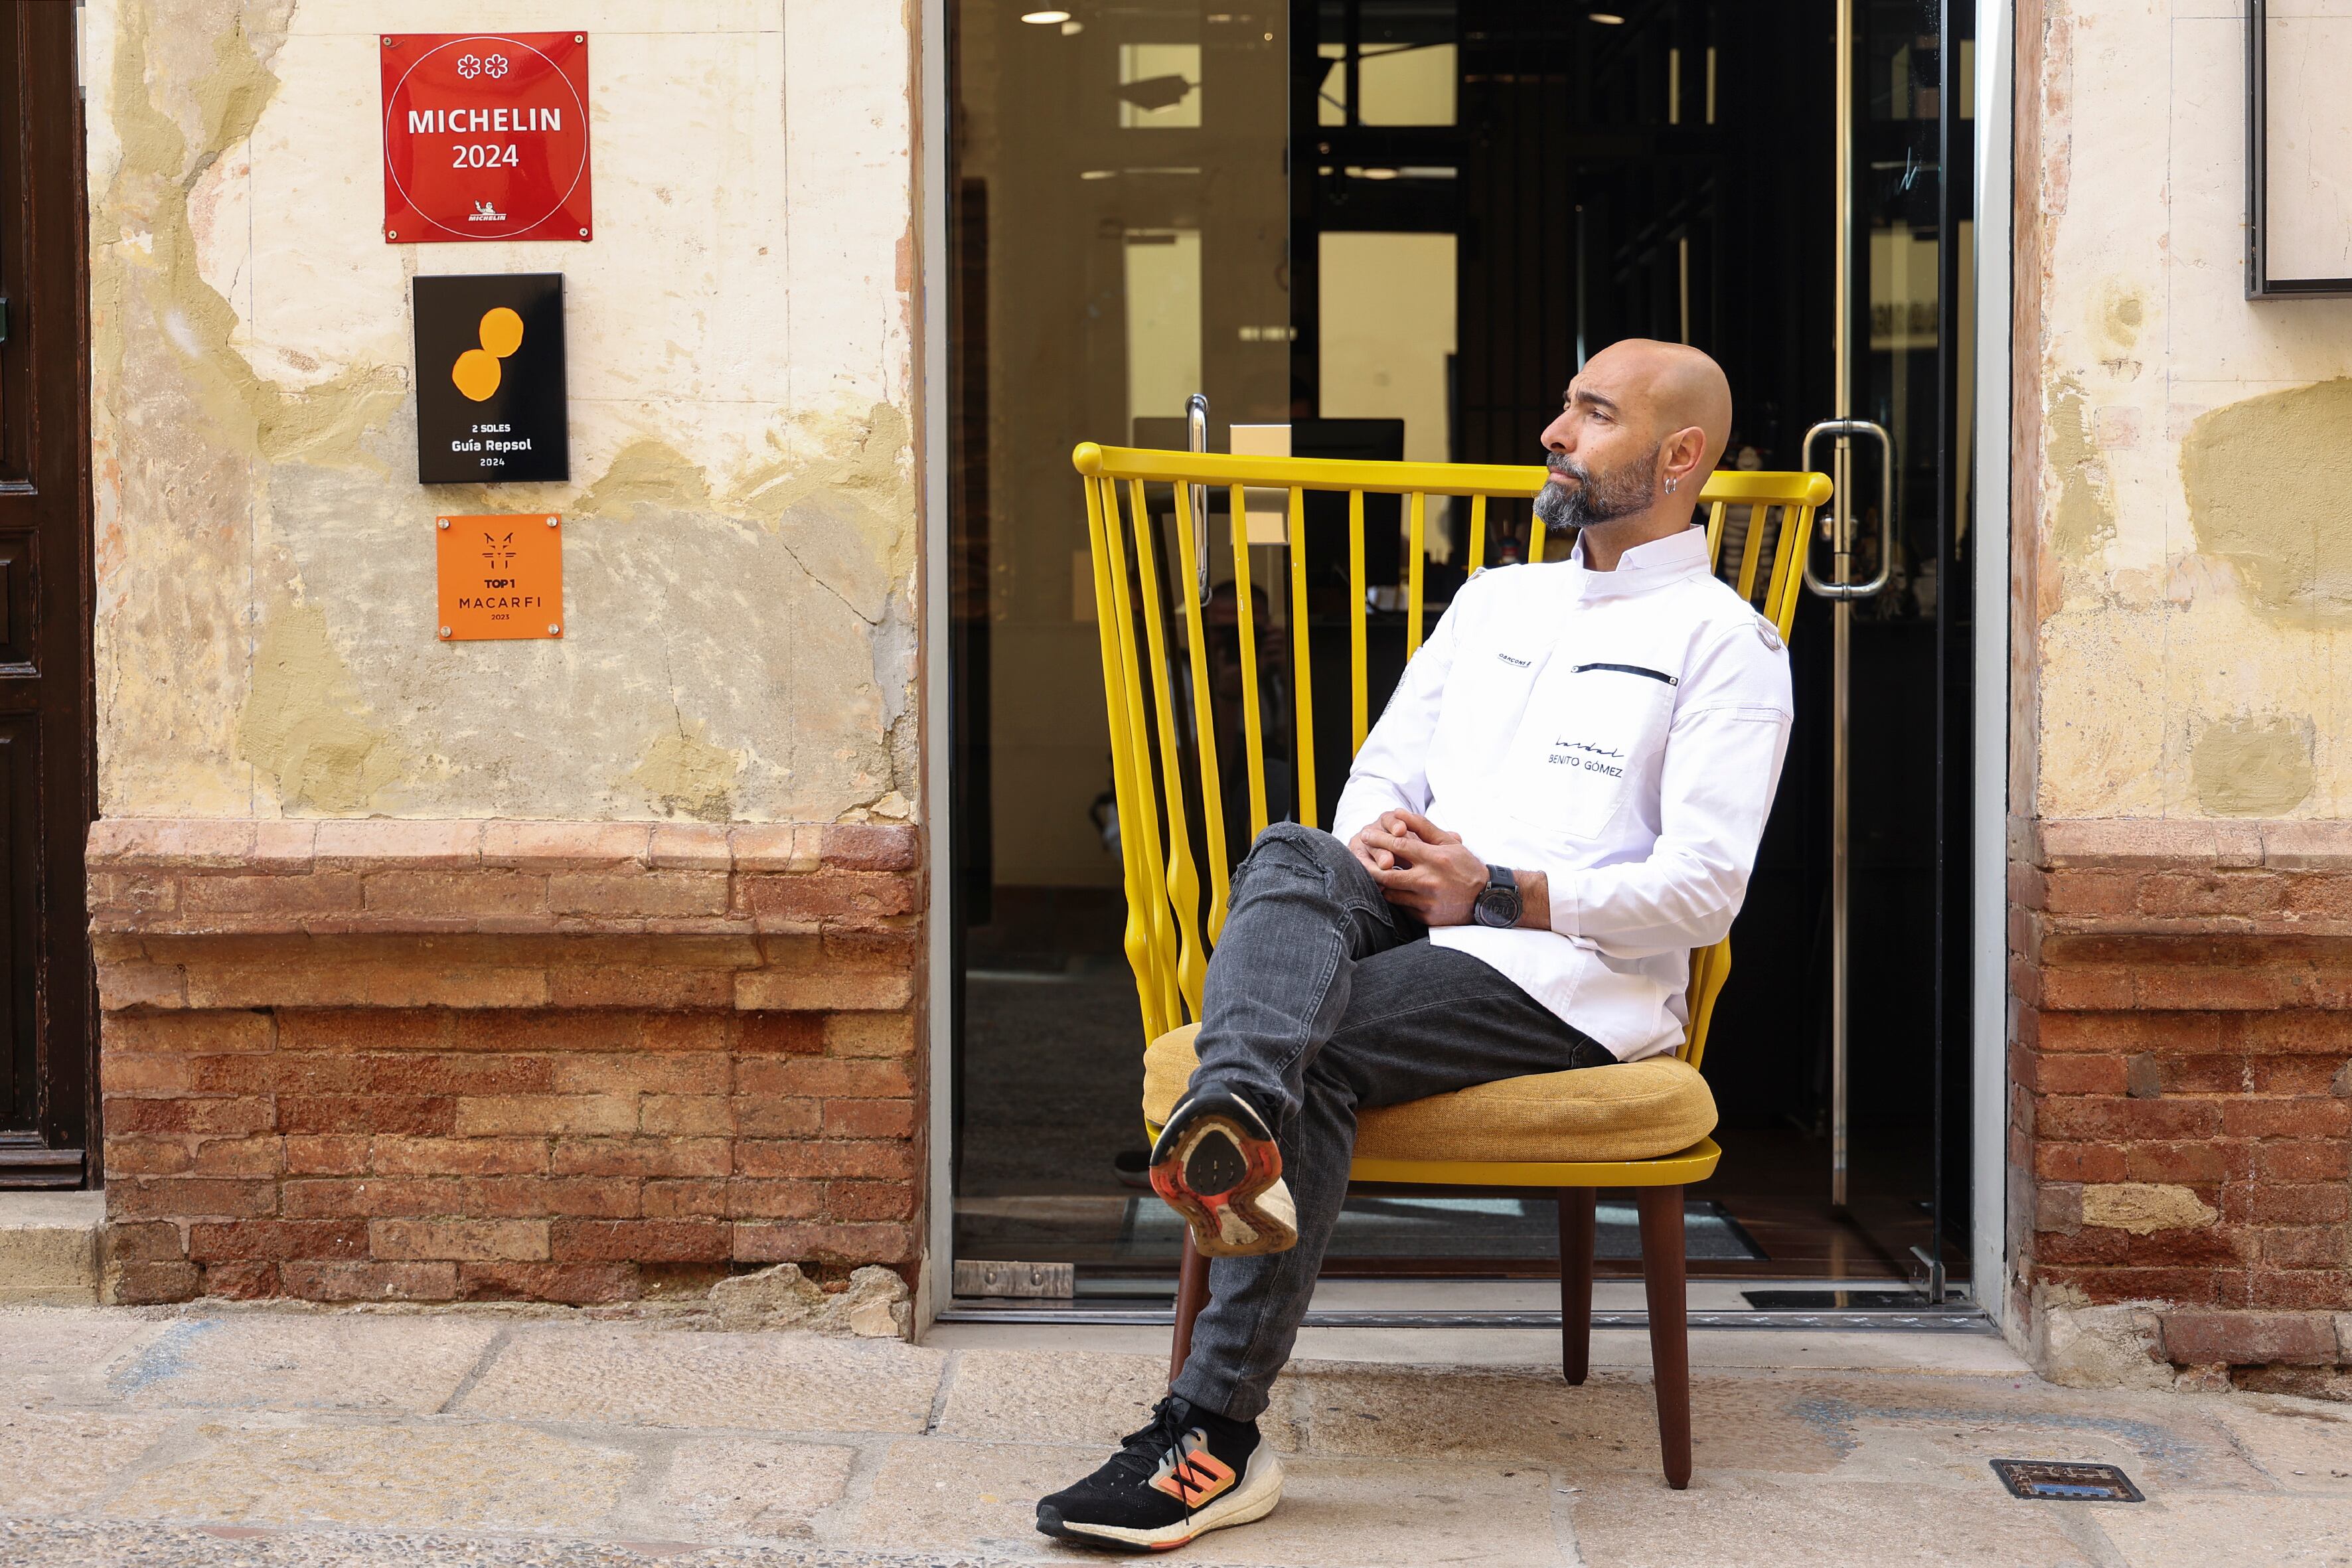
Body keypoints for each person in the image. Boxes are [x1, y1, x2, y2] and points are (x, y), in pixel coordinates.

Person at [1035, 340, 1794, 1551]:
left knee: (1318, 1047)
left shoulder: (1729, 645)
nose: (1555, 431)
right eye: (1564, 404)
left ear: (1680, 456)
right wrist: (1390, 852)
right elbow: (1382, 770)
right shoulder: (1496, 600)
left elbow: (1703, 892)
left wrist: (1494, 889)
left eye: (1592, 415)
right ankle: (1236, 1102)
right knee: (1293, 847)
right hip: (1407, 912)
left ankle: (1213, 1432)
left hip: (1560, 975)